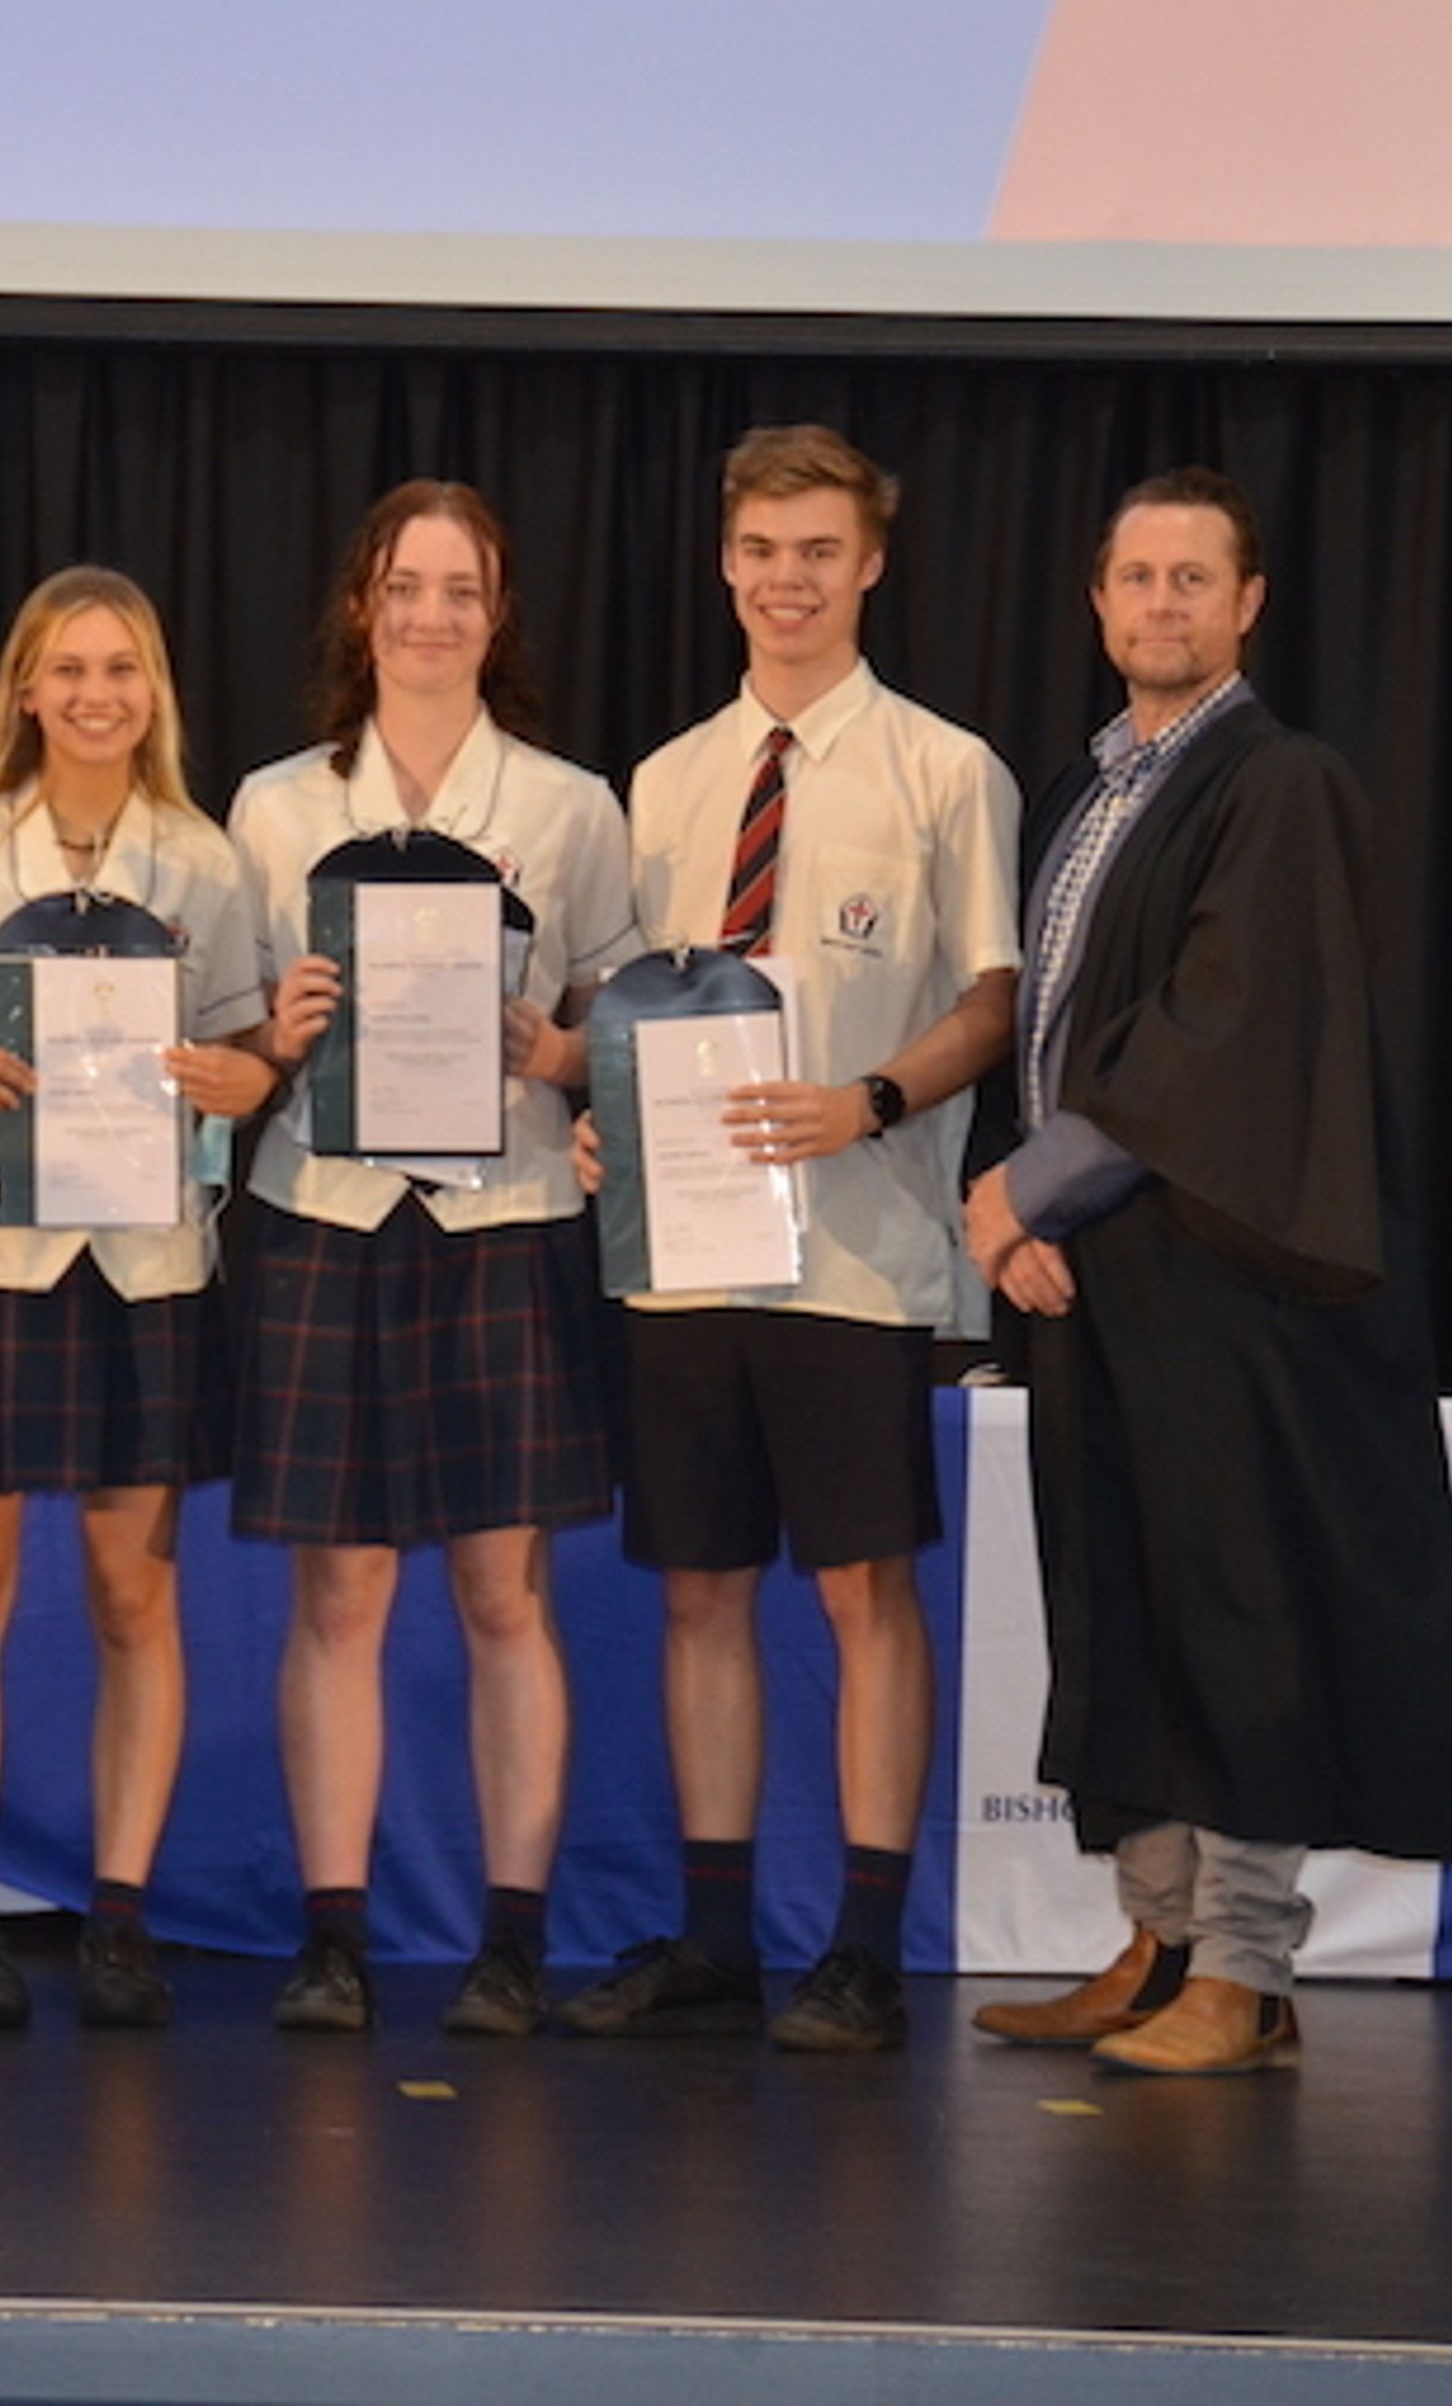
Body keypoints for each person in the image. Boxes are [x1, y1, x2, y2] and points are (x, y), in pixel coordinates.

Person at [962, 467, 1452, 2076]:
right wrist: (1032, 1225)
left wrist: (1026, 1192)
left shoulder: (1281, 781)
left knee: (1239, 1612)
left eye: (1195, 578)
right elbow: (1054, 1029)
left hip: (1231, 1278)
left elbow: (1219, 1031)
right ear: (1098, 601)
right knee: (1124, 1606)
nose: (1162, 604)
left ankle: (1246, 1974)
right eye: (1137, 577)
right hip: (1102, 1273)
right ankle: (1159, 1941)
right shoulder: (1086, 787)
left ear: (1248, 604)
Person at [558, 424, 1019, 2052]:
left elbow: (994, 1000)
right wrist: (605, 1121)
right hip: (686, 1257)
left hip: (858, 1253)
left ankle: (866, 1952)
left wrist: (869, 1099)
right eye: (761, 551)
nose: (788, 580)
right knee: (700, 1593)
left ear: (870, 564)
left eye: (819, 550)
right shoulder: (668, 780)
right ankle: (715, 1939)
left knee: (862, 1593)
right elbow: (636, 1010)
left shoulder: (945, 768)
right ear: (725, 564)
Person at [230, 481, 642, 2035]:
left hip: (504, 1219)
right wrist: (275, 1036)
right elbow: (228, 1039)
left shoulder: (569, 806)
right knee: (339, 1596)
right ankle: (332, 1936)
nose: (430, 616)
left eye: (461, 590)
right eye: (405, 586)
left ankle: (512, 1942)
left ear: (497, 613)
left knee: (502, 1594)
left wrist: (560, 1054)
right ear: (363, 605)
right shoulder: (275, 805)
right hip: (324, 1215)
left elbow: (620, 1025)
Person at [0, 567, 274, 2029]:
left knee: (129, 1591)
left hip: (148, 1266)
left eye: (123, 670)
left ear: (154, 693)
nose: (98, 695)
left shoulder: (203, 862)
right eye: (71, 670)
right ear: (25, 691)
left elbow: (248, 1052)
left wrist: (245, 1079)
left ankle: (121, 1914)